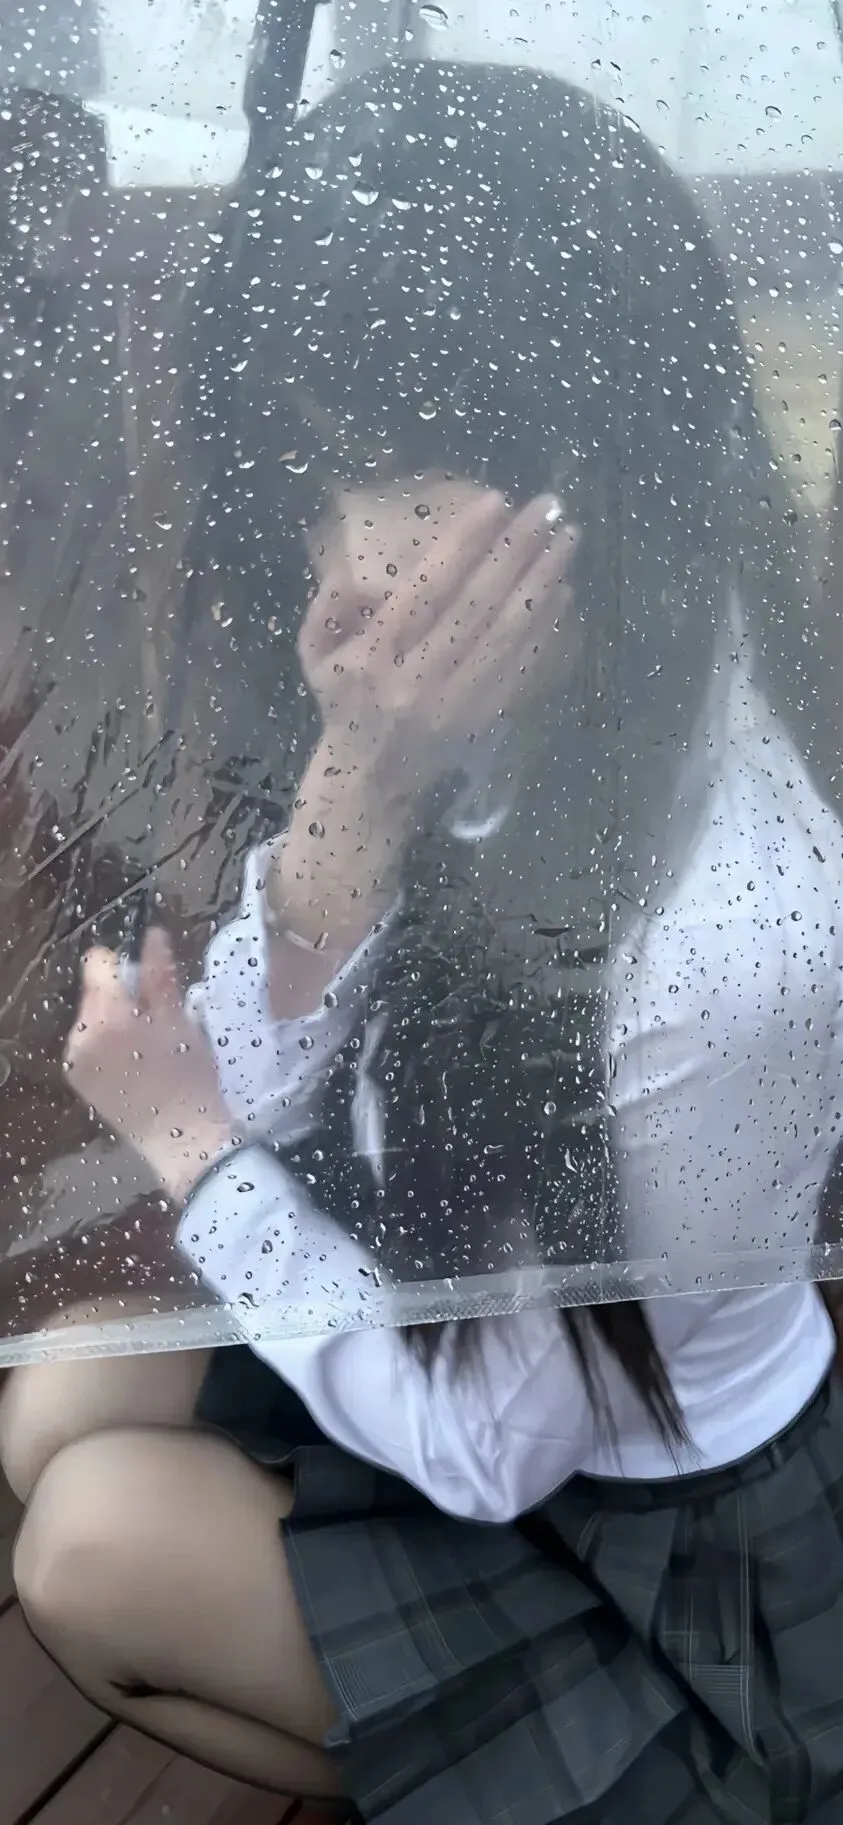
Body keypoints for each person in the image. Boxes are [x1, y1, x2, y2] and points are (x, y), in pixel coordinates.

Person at [3, 55, 843, 1824]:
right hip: (476, 1307)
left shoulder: (727, 923)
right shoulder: (536, 678)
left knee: (88, 1546)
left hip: (658, 1517)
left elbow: (488, 1447)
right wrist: (357, 785)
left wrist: (185, 1147)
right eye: (312, 485)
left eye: (383, 473)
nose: (339, 570)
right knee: (53, 1413)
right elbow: (272, 1076)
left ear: (588, 446)